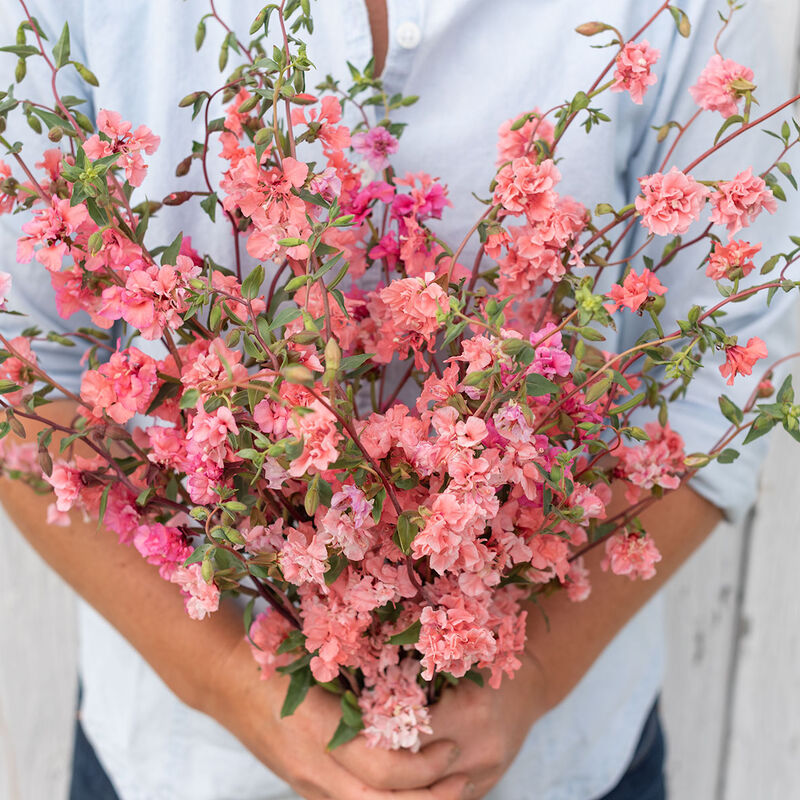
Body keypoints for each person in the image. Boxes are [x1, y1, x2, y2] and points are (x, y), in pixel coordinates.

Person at [0, 1, 795, 798]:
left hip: (552, 763)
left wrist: (537, 673)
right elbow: (17, 378)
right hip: (186, 764)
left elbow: (722, 377)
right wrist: (227, 679)